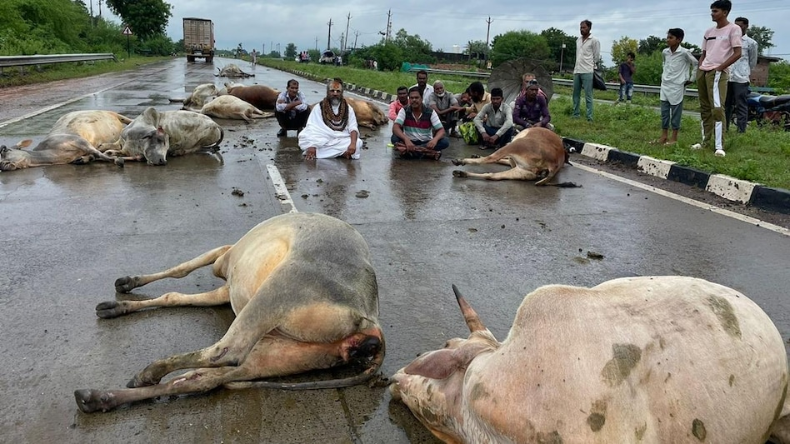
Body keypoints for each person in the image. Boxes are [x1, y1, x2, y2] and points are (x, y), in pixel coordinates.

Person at [695, 0, 742, 157]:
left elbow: (737, 53)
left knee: (717, 107)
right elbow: (704, 53)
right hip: (704, 71)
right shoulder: (709, 32)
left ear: (725, 12)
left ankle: (719, 145)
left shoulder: (734, 29)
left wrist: (720, 68)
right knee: (704, 106)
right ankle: (705, 141)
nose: (712, 14)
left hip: (718, 72)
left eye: (715, 11)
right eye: (712, 11)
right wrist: (700, 68)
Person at [653, 28, 699, 146]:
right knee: (664, 112)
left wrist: (691, 79)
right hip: (665, 85)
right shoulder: (665, 52)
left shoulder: (684, 53)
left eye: (671, 38)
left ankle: (674, 138)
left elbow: (696, 64)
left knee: (675, 113)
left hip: (677, 86)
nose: (668, 40)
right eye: (667, 37)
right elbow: (664, 63)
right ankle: (664, 136)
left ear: (679, 39)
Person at [298, 78, 362, 160]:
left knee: (358, 143)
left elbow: (353, 128)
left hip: (341, 139)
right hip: (322, 140)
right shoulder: (319, 108)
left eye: (338, 91)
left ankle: (329, 153)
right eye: (332, 91)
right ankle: (340, 153)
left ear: (341, 93)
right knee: (305, 139)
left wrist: (353, 144)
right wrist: (312, 145)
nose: (335, 94)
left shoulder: (348, 109)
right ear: (327, 92)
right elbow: (311, 128)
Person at [391, 87, 449, 160]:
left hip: (426, 143)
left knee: (445, 141)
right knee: (394, 137)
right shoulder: (404, 110)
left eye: (416, 98)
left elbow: (441, 130)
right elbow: (395, 127)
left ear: (421, 98)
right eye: (411, 98)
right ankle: (425, 153)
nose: (414, 100)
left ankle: (412, 151)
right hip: (409, 142)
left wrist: (434, 140)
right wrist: (406, 139)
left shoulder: (430, 112)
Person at [725, 17, 758, 133]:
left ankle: (741, 130)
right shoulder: (729, 40)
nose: (738, 28)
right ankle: (725, 129)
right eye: (736, 25)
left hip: (741, 78)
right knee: (726, 104)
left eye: (740, 25)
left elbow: (752, 62)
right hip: (728, 76)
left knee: (741, 105)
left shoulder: (751, 43)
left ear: (746, 26)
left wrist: (744, 71)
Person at [572, 19, 601, 121]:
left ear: (589, 28)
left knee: (588, 95)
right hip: (577, 70)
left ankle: (589, 117)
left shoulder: (594, 40)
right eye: (581, 27)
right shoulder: (578, 40)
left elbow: (596, 56)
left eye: (584, 27)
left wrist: (591, 65)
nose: (582, 29)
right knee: (575, 94)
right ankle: (575, 114)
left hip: (588, 70)